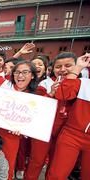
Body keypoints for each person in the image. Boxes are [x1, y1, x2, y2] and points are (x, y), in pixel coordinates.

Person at [0, 42, 39, 180]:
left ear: (33, 76)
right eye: (17, 72)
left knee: (7, 166)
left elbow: (34, 123)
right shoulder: (4, 84)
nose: (20, 75)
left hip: (11, 136)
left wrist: (23, 130)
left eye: (25, 72)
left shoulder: (35, 98)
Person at [25, 52, 77, 180]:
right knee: (36, 162)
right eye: (58, 67)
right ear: (52, 69)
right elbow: (35, 107)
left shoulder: (81, 84)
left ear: (76, 67)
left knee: (55, 165)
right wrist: (51, 93)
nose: (63, 69)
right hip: (43, 130)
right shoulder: (44, 84)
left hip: (65, 134)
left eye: (68, 65)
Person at [47, 53, 90, 179]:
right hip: (72, 134)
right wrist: (77, 67)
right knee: (56, 175)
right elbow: (63, 94)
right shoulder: (83, 82)